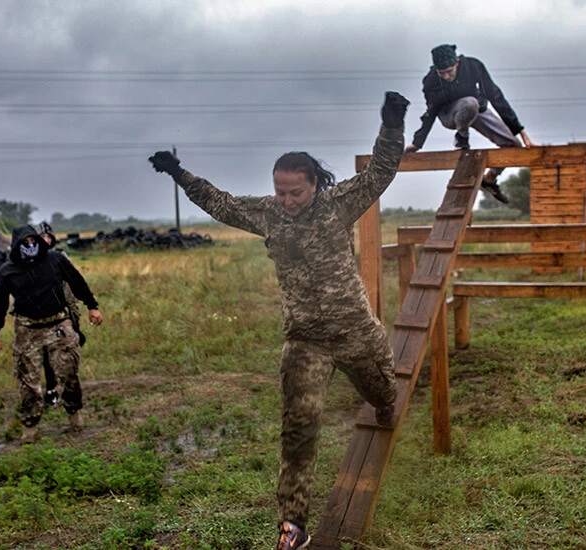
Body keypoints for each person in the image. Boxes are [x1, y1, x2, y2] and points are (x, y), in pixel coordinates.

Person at [149, 91, 410, 550]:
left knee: (381, 394)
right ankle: (293, 525)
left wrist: (391, 123)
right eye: (280, 191)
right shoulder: (268, 213)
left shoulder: (337, 205)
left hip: (354, 332)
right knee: (298, 428)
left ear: (314, 184)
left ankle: (386, 400)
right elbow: (221, 203)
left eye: (296, 191)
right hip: (305, 340)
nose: (287, 200)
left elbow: (381, 173)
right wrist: (179, 173)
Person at [0, 225, 103, 444]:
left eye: (33, 241)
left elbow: (77, 282)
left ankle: (73, 412)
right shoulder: (8, 270)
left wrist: (92, 306)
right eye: (25, 243)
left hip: (58, 325)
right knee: (28, 380)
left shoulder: (55, 260)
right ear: (17, 245)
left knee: (69, 372)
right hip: (27, 330)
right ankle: (30, 425)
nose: (30, 246)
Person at [404, 43, 536, 204]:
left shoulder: (473, 66)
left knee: (513, 145)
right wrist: (417, 143)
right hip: (449, 114)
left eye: (448, 72)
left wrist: (521, 133)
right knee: (469, 103)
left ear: (457, 63)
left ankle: (489, 180)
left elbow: (496, 98)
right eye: (441, 73)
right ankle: (462, 138)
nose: (445, 77)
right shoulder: (431, 81)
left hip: (476, 111)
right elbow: (430, 113)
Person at [36, 221, 85, 408]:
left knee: (67, 354)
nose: (46, 240)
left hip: (65, 311)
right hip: (42, 315)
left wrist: (76, 320)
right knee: (46, 356)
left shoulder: (60, 257)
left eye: (49, 237)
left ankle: (69, 392)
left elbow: (73, 283)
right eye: (42, 237)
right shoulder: (30, 261)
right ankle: (51, 388)